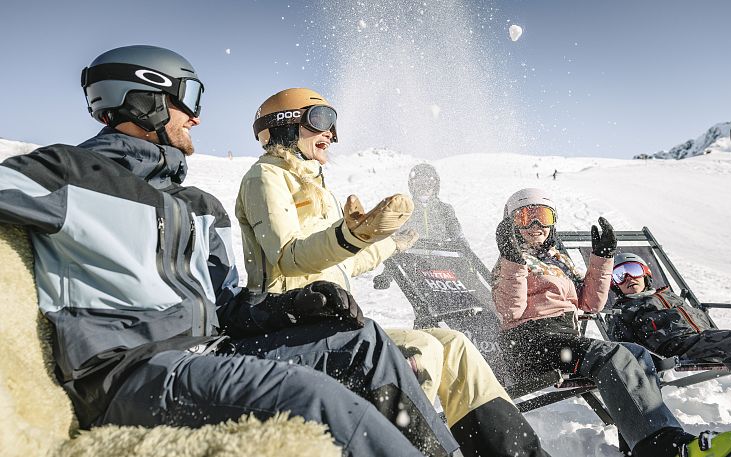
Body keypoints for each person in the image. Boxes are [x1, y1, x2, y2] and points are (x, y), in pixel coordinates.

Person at [0, 45, 452, 457]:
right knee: (316, 400)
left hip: (214, 352)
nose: (197, 118)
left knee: (364, 345)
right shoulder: (68, 175)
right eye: (189, 99)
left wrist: (290, 308)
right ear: (143, 99)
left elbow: (227, 306)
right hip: (133, 373)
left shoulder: (197, 205)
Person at [236, 87, 549, 457]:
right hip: (289, 322)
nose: (332, 135)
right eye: (321, 120)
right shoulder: (266, 176)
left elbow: (344, 260)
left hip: (331, 321)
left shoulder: (321, 190)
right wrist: (350, 234)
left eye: (334, 125)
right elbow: (288, 256)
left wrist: (391, 244)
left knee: (456, 346)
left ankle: (518, 454)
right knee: (424, 348)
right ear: (285, 124)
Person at [491, 188, 731, 457]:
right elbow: (510, 312)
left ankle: (638, 443)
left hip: (563, 341)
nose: (536, 225)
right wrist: (512, 259)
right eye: (525, 217)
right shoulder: (508, 263)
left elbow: (590, 304)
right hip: (529, 344)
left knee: (636, 353)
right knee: (610, 354)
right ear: (511, 224)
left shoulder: (556, 260)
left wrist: (602, 259)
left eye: (542, 216)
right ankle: (666, 448)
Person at [608, 252, 731, 437]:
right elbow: (623, 349)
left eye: (633, 270)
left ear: (646, 274)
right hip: (680, 346)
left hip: (708, 336)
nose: (628, 278)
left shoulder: (668, 295)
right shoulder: (621, 312)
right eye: (619, 275)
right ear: (615, 285)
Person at [404, 163, 466, 245]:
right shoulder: (403, 210)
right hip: (410, 256)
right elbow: (390, 236)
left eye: (429, 183)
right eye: (419, 184)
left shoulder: (445, 209)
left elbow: (458, 237)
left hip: (440, 256)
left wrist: (464, 248)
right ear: (412, 186)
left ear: (435, 186)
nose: (424, 187)